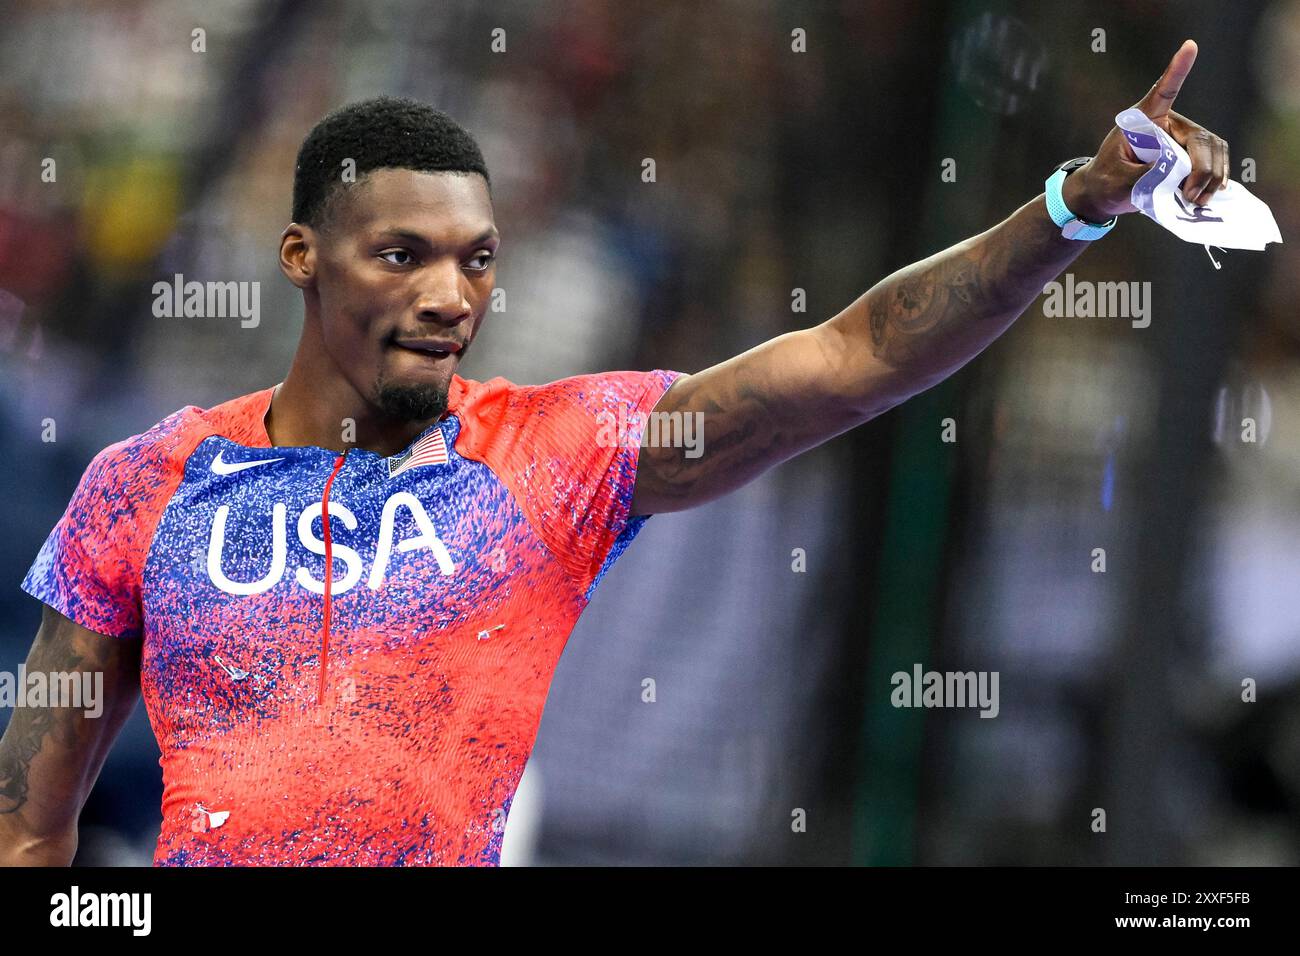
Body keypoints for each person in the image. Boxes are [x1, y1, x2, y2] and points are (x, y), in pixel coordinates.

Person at [0, 41, 1227, 865]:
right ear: (301, 256)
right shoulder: (144, 484)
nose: (449, 293)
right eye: (402, 254)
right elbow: (29, 826)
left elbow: (857, 357)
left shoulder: (556, 454)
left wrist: (1074, 204)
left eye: (476, 258)